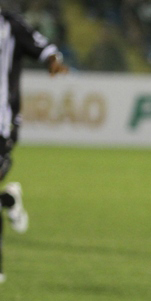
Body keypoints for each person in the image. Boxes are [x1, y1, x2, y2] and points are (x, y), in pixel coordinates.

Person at [0, 7, 68, 282]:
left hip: (2, 124)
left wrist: (53, 61)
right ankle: (8, 198)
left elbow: (43, 46)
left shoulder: (9, 24)